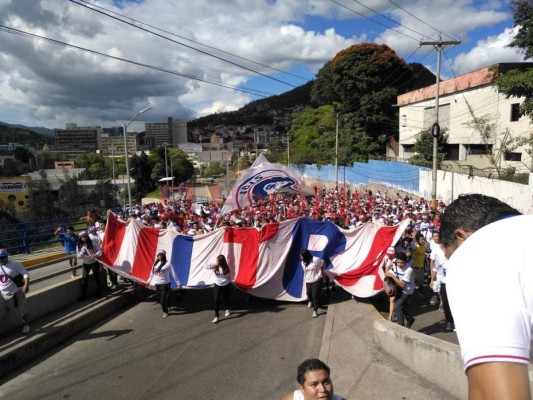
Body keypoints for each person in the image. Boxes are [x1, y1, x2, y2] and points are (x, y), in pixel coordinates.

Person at [440, 194, 528, 400]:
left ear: (460, 236)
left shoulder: (475, 253)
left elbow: (497, 395)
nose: (452, 261)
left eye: (450, 255)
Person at [0, 248, 30, 334]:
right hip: (2, 294)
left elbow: (25, 273)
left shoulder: (14, 264)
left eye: (3, 257)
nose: (1, 259)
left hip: (15, 293)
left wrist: (26, 285)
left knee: (22, 311)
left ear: (7, 256)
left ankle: (26, 325)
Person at [147, 250, 181, 318]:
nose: (160, 256)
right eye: (159, 255)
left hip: (165, 284)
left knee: (162, 300)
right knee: (160, 298)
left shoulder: (168, 264)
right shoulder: (156, 263)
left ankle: (165, 311)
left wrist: (178, 283)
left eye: (161, 255)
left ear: (164, 255)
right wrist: (149, 280)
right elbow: (152, 273)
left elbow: (173, 274)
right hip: (157, 284)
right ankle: (168, 305)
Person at [385, 252, 415, 329]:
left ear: (406, 261)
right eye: (398, 262)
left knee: (397, 307)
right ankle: (410, 319)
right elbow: (387, 271)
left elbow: (402, 284)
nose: (399, 264)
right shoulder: (394, 260)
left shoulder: (409, 269)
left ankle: (401, 328)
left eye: (402, 263)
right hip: (399, 288)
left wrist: (392, 275)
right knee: (400, 306)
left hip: (407, 290)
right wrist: (387, 269)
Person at [77, 230, 102, 300]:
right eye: (82, 237)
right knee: (84, 279)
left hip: (94, 263)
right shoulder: (79, 245)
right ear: (80, 238)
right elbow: (78, 257)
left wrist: (95, 255)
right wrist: (82, 252)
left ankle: (98, 292)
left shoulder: (92, 242)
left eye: (85, 236)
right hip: (85, 264)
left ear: (87, 236)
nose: (84, 238)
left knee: (96, 278)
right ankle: (84, 295)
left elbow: (100, 250)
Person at [207, 254, 231, 324]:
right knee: (216, 300)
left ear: (222, 262)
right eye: (216, 260)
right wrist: (211, 267)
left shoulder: (226, 268)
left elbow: (227, 275)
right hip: (217, 284)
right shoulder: (214, 265)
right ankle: (216, 316)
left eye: (218, 261)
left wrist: (223, 272)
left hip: (225, 284)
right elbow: (205, 266)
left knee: (225, 298)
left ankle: (227, 309)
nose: (216, 262)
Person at [300, 249, 324, 319]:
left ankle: (315, 310)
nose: (301, 257)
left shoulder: (315, 260)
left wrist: (321, 273)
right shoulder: (302, 263)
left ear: (306, 256)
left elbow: (323, 263)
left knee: (315, 295)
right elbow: (305, 271)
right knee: (308, 294)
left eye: (302, 256)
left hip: (316, 279)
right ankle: (310, 300)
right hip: (308, 280)